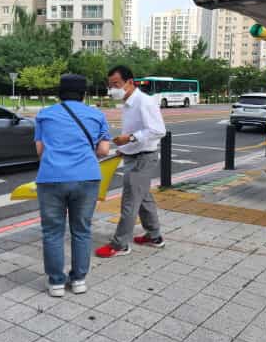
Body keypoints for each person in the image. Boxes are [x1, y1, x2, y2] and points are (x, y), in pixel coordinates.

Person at [35, 74, 111, 297]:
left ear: (59, 93)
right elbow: (104, 151)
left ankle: (56, 283)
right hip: (87, 178)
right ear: (84, 94)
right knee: (82, 230)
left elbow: (39, 151)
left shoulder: (44, 115)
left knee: (52, 232)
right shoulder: (97, 115)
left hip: (51, 178)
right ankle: (78, 280)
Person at [96, 65, 167, 259]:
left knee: (130, 201)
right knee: (144, 198)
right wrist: (124, 148)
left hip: (143, 159)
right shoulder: (128, 103)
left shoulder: (144, 102)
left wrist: (129, 139)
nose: (112, 89)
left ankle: (120, 244)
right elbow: (137, 132)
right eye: (110, 85)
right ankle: (154, 236)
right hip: (134, 155)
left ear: (130, 82)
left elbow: (158, 130)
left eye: (116, 84)